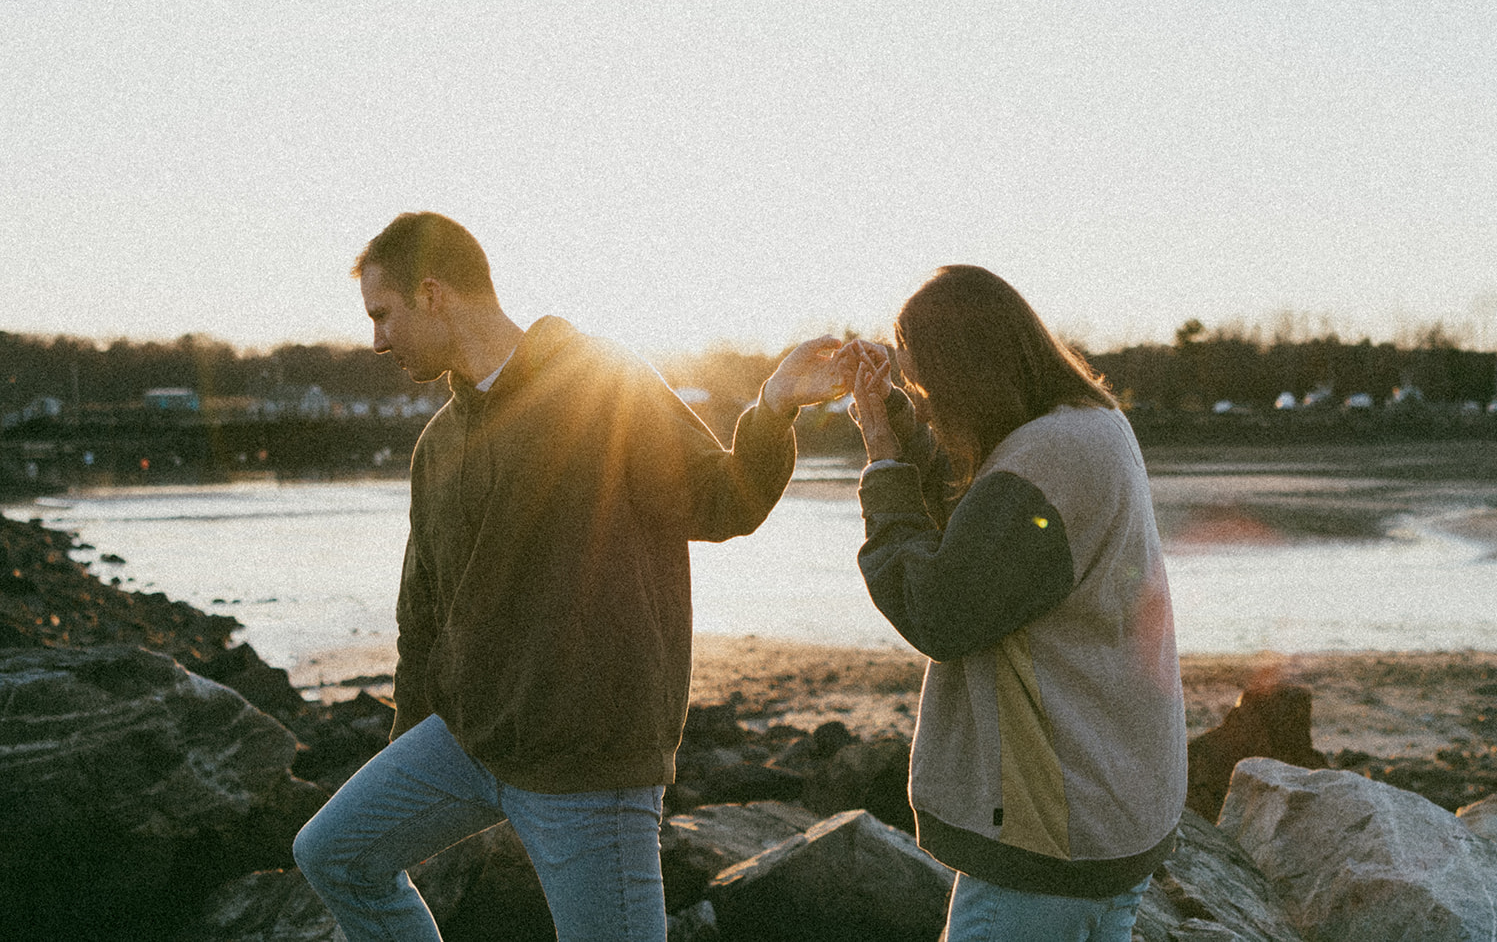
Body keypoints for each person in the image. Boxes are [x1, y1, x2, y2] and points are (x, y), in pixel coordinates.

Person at [293, 211, 849, 942]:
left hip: (590, 756)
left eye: (382, 314)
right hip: (467, 741)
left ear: (433, 293)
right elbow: (423, 612)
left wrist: (772, 408)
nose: (376, 339)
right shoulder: (439, 443)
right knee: (333, 853)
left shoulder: (600, 383)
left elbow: (724, 499)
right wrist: (407, 741)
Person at [841, 265, 1186, 942]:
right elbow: (982, 518)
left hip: (1049, 838)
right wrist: (900, 420)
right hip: (1110, 814)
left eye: (929, 385)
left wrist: (883, 459)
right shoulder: (1091, 427)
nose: (928, 401)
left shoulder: (1042, 466)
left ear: (969, 373)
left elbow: (938, 608)